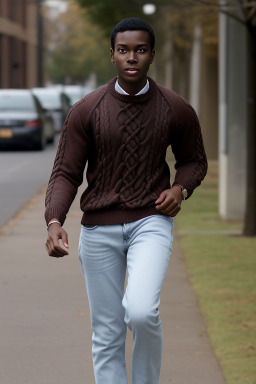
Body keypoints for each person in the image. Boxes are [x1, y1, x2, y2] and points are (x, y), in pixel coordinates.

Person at [45, 17, 207, 384]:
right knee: (107, 331)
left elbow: (194, 160)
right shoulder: (87, 109)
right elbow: (66, 173)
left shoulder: (174, 107)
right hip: (98, 230)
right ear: (113, 56)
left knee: (140, 310)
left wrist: (180, 189)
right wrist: (54, 221)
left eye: (140, 50)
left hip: (151, 221)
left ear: (152, 56)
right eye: (123, 50)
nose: (131, 57)